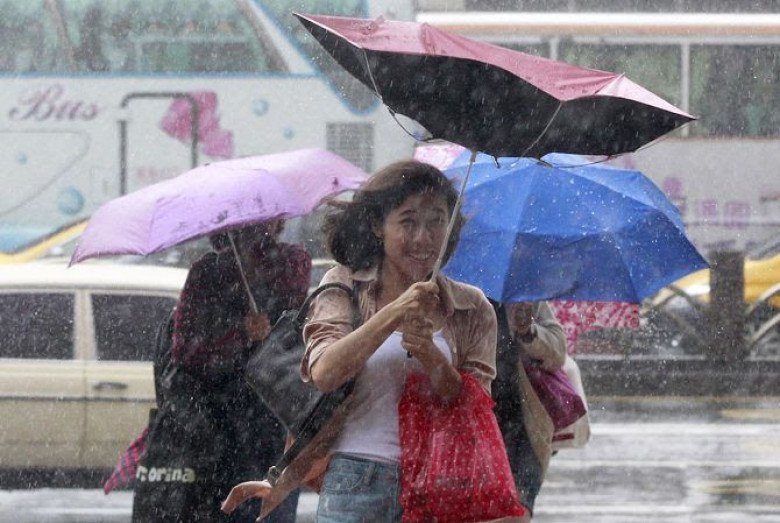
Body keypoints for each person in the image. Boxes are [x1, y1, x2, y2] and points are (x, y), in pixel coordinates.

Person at [295, 160, 498, 523]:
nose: (423, 238)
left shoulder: (472, 307)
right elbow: (325, 372)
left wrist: (432, 356)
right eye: (408, 221)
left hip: (439, 484)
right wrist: (394, 313)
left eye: (436, 221)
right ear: (378, 226)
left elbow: (474, 408)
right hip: (356, 480)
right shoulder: (344, 285)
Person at [169, 221, 311, 522]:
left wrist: (253, 269)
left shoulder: (291, 262)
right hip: (218, 426)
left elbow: (296, 324)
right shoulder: (206, 273)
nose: (259, 225)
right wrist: (239, 333)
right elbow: (184, 351)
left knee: (272, 510)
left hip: (275, 416)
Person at [492, 300, 566, 522]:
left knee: (517, 509)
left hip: (523, 425)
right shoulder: (458, 296)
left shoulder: (526, 297)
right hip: (473, 425)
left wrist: (527, 331)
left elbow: (558, 353)